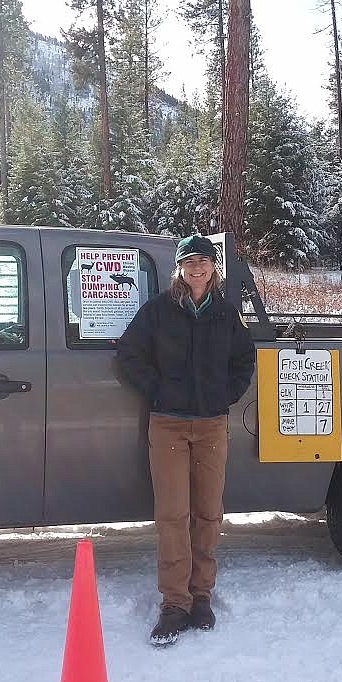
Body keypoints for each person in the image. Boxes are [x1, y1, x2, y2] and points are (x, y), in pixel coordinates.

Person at [117, 234, 256, 646]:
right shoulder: (159, 311)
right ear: (179, 268)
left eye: (204, 261)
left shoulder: (226, 314)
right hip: (169, 424)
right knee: (173, 516)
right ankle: (174, 604)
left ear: (214, 267)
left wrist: (225, 394)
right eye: (190, 262)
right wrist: (158, 392)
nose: (197, 268)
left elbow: (244, 359)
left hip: (212, 424)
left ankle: (201, 598)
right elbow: (129, 353)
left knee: (209, 514)